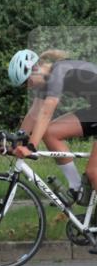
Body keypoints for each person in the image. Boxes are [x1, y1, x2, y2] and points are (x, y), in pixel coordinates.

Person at [7, 49, 97, 202]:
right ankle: (77, 189)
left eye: (27, 81)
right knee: (50, 132)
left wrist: (31, 147)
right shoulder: (47, 81)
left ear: (35, 68)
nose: (28, 87)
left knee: (93, 172)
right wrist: (16, 143)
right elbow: (33, 114)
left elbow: (46, 112)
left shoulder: (58, 72)